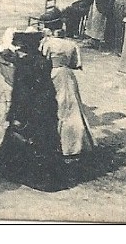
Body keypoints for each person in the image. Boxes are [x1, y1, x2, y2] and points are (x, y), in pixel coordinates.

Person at [0, 29, 65, 192]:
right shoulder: (41, 61)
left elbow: (21, 95)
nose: (17, 53)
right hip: (46, 108)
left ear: (26, 49)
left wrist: (15, 116)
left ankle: (25, 173)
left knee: (24, 139)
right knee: (45, 140)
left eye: (19, 50)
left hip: (31, 111)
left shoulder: (25, 67)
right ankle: (49, 176)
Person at [40, 18, 96, 164]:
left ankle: (55, 145)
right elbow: (75, 64)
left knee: (54, 107)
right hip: (67, 76)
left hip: (52, 75)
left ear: (49, 29)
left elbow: (42, 60)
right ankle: (74, 146)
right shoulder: (72, 44)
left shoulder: (46, 43)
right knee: (72, 109)